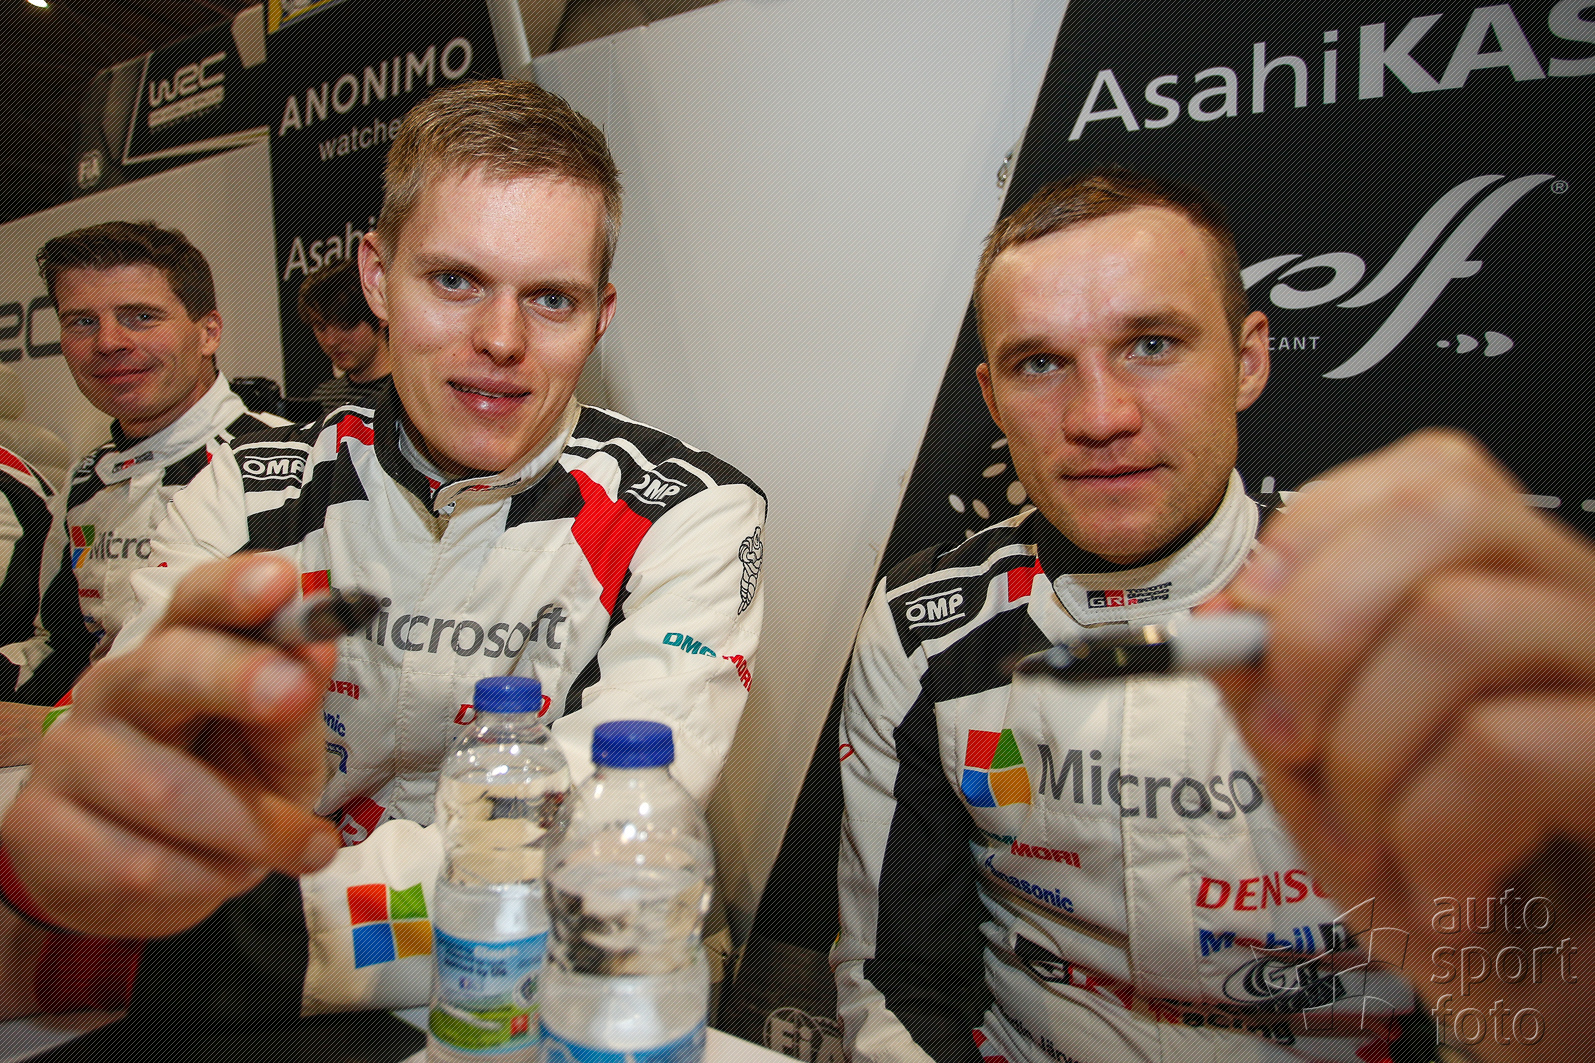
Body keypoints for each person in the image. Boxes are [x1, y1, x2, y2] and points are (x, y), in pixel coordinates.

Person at [0, 79, 765, 1022]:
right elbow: (144, 785)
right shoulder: (249, 485)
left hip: (544, 987)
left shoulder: (690, 511)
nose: (500, 339)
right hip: (244, 966)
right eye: (454, 281)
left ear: (599, 315)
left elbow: (600, 839)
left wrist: (164, 948)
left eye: (550, 298)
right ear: (376, 276)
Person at [835, 168, 1419, 1062]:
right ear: (992, 401)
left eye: (1150, 343)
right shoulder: (924, 627)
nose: (1100, 417)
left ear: (1247, 360)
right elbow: (899, 979)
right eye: (1040, 363)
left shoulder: (1411, 621)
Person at [0, 222, 288, 708]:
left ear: (208, 332)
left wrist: (51, 727)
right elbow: (63, 645)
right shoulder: (88, 479)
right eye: (82, 322)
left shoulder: (284, 463)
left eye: (140, 317)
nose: (108, 342)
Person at [297, 255, 392, 414]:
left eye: (345, 326)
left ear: (381, 315)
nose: (331, 341)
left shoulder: (411, 395)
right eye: (321, 327)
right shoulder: (321, 400)